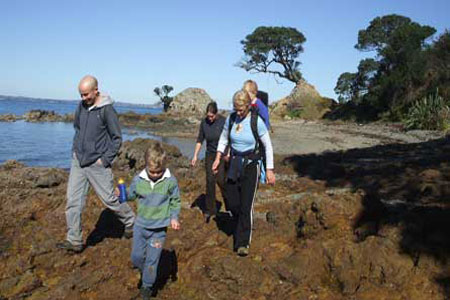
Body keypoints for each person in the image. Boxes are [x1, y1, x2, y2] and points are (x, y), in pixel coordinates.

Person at [56, 75, 135, 253]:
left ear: (96, 90)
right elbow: (77, 127)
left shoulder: (107, 110)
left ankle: (131, 222)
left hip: (97, 164)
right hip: (78, 161)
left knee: (110, 200)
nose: (83, 99)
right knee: (73, 201)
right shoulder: (81, 106)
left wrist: (104, 160)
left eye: (86, 95)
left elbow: (117, 138)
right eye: (81, 95)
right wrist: (76, 150)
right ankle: (74, 240)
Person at [212, 90, 275, 257]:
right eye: (236, 109)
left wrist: (269, 170)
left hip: (251, 166)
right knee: (232, 203)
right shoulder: (231, 119)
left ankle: (242, 243)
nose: (238, 113)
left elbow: (267, 146)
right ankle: (239, 223)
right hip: (233, 164)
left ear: (248, 106)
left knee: (246, 206)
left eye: (241, 109)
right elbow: (224, 139)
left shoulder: (256, 121)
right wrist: (218, 158)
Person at [119, 142, 181, 299]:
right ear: (146, 165)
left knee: (152, 261)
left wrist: (174, 218)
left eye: (158, 172)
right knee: (136, 257)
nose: (155, 175)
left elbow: (175, 201)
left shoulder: (170, 181)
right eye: (152, 172)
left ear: (164, 167)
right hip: (140, 226)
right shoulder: (139, 179)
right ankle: (146, 271)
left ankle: (147, 286)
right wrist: (122, 194)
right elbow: (132, 194)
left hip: (159, 230)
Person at [191, 102, 227, 223]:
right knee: (210, 181)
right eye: (208, 116)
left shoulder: (223, 121)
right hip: (210, 154)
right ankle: (210, 210)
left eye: (212, 116)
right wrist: (195, 155)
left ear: (216, 114)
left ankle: (230, 206)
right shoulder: (204, 122)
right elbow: (200, 139)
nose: (210, 119)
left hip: (222, 154)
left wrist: (229, 153)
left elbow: (230, 138)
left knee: (221, 180)